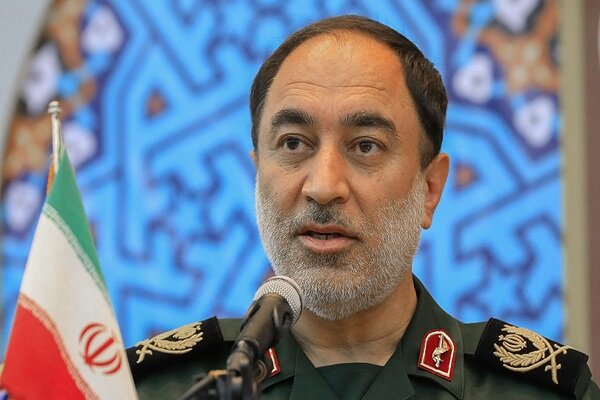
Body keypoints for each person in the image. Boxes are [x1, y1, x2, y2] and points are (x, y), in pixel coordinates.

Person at [127, 15, 599, 399]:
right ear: (256, 172)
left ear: (430, 189)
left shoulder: (533, 392)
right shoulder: (153, 390)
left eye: (366, 146)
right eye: (293, 143)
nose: (323, 186)